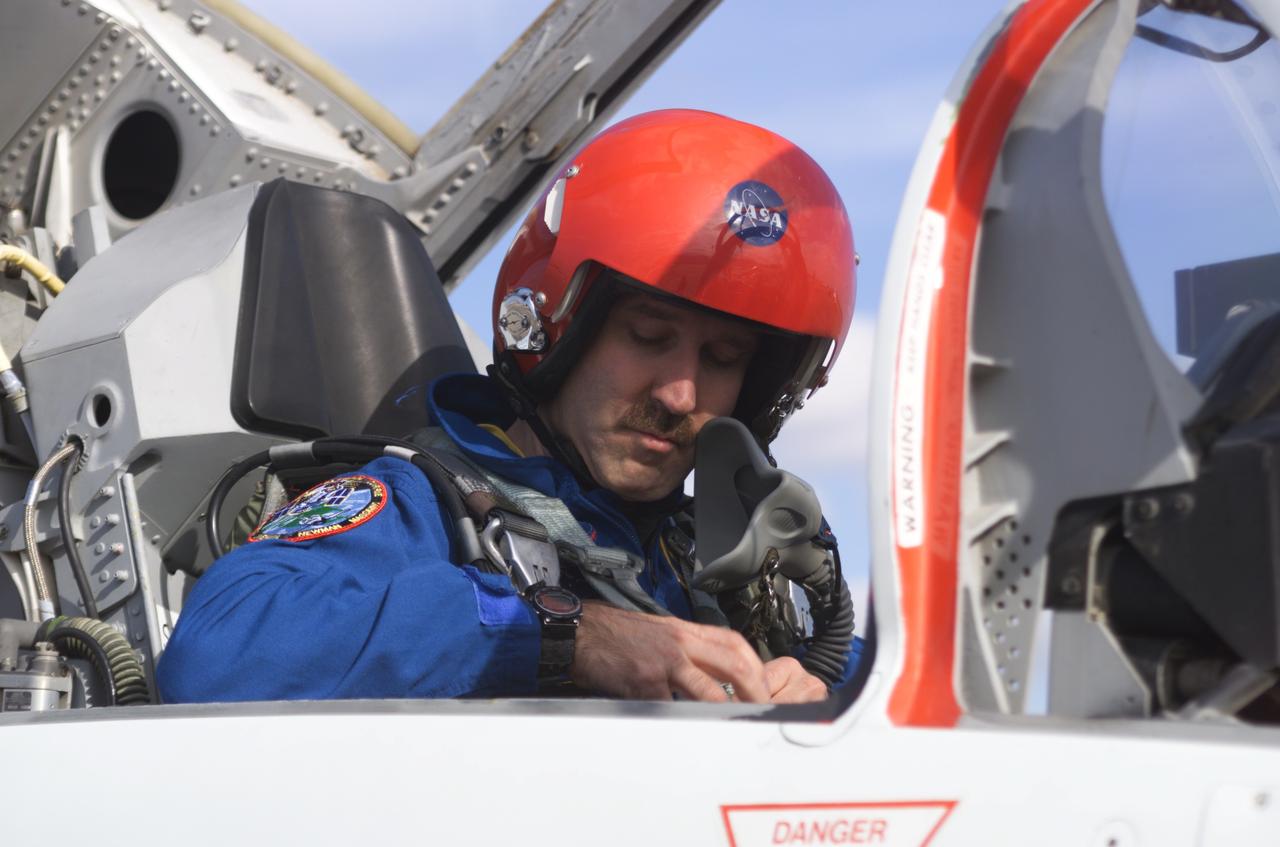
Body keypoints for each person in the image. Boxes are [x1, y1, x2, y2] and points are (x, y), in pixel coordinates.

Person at [157, 109, 857, 705]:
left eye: (724, 360)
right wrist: (561, 636)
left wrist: (821, 688)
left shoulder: (697, 564)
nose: (681, 393)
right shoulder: (420, 506)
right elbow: (216, 649)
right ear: (556, 328)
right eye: (649, 336)